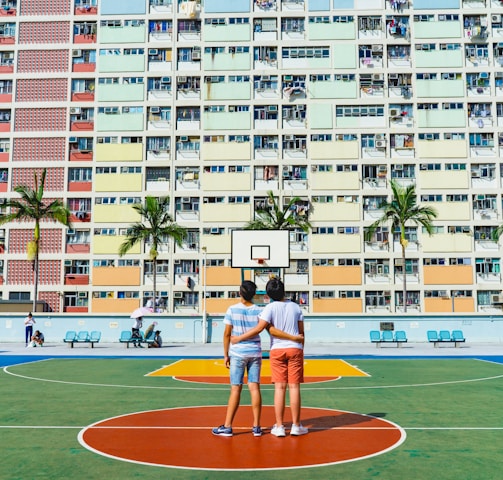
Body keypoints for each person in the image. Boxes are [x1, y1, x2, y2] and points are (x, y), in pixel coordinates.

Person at [212, 281, 300, 438]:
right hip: (255, 352)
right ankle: (257, 427)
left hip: (238, 353)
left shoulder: (232, 309)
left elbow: (226, 334)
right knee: (254, 388)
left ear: (240, 292)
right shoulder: (260, 311)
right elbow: (268, 329)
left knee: (235, 388)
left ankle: (228, 426)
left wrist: (226, 354)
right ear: (254, 294)